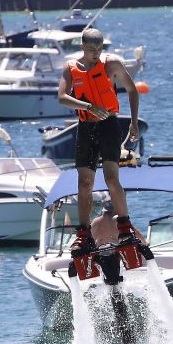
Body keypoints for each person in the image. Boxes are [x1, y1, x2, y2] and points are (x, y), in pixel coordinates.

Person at [56, 27, 142, 256]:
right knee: (84, 182)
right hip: (86, 127)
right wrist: (88, 107)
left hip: (109, 126)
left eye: (99, 48)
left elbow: (132, 90)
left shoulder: (112, 64)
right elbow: (62, 97)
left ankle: (124, 226)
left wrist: (133, 123)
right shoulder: (71, 69)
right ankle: (83, 235)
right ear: (82, 47)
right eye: (91, 49)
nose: (96, 53)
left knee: (111, 177)